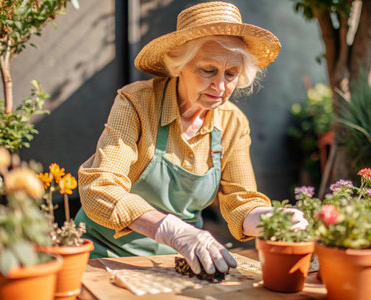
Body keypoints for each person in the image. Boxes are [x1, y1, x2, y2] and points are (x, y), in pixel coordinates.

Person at [75, 1, 308, 275]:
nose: (220, 87)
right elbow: (99, 188)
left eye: (231, 74)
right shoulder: (137, 103)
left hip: (180, 262)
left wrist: (269, 219)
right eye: (208, 70)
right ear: (179, 65)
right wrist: (172, 230)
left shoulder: (233, 123)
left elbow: (240, 203)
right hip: (106, 256)